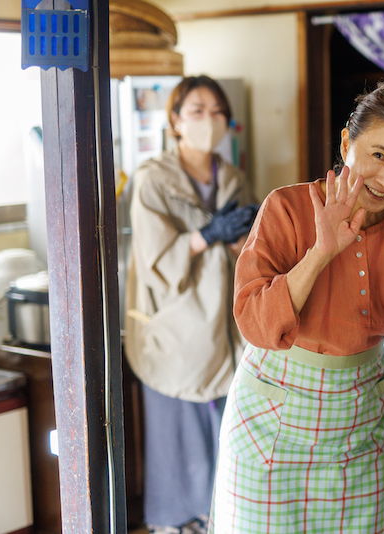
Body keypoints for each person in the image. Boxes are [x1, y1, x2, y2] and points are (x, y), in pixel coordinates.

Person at [210, 81, 384, 533]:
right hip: (271, 423)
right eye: (378, 155)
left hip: (360, 419)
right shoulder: (287, 207)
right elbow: (256, 325)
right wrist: (320, 252)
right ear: (346, 143)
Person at [124, 75, 258, 534]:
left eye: (217, 111)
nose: (208, 121)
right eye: (196, 111)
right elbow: (154, 259)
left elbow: (239, 253)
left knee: (226, 429)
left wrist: (245, 236)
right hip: (176, 322)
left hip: (221, 321)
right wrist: (208, 235)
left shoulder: (233, 176)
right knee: (177, 433)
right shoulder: (153, 180)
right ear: (175, 121)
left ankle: (220, 517)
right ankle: (176, 521)